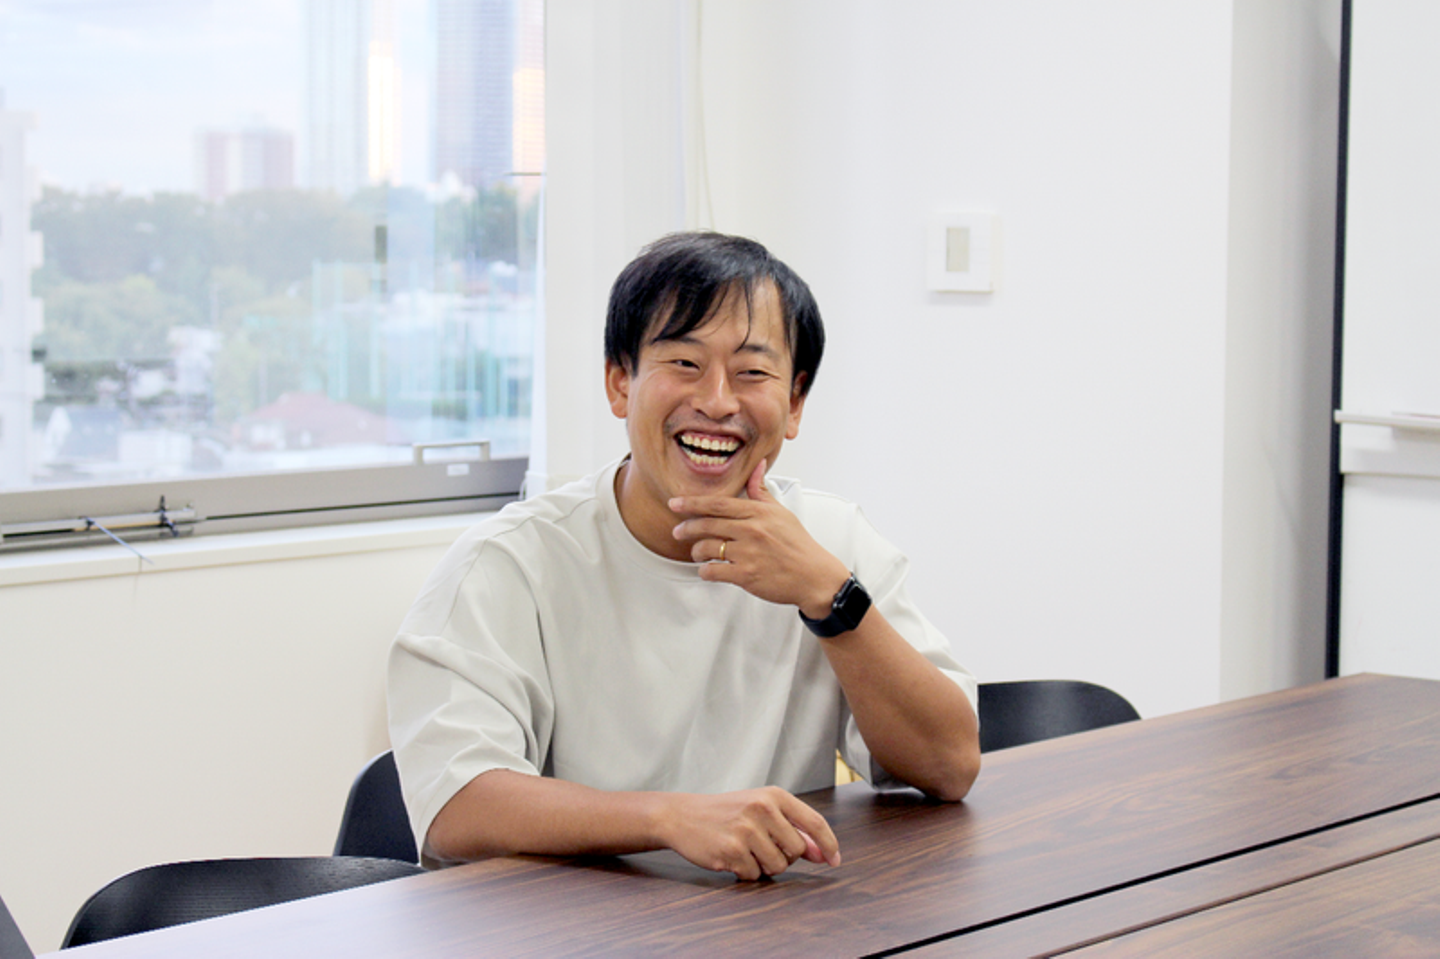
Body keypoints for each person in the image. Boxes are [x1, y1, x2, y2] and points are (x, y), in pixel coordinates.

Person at [388, 232, 979, 880]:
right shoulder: (510, 562)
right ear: (620, 382)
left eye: (753, 372)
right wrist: (669, 818)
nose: (718, 401)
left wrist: (831, 598)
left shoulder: (832, 542)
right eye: (685, 363)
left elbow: (950, 765)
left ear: (794, 402)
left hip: (763, 917)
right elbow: (456, 805)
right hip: (566, 920)